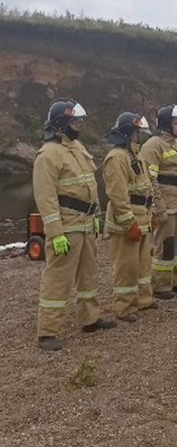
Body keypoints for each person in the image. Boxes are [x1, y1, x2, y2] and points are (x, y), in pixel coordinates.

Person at [33, 99, 115, 351]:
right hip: (67, 227)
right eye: (74, 121)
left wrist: (98, 218)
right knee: (58, 279)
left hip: (86, 224)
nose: (78, 125)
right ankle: (47, 331)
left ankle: (90, 318)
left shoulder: (77, 147)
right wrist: (55, 233)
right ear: (62, 123)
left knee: (89, 276)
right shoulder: (48, 155)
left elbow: (89, 185)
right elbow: (46, 199)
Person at [102, 111, 157, 323]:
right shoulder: (116, 158)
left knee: (142, 264)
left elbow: (145, 186)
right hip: (128, 221)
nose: (139, 136)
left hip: (141, 217)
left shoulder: (136, 155)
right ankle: (124, 307)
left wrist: (149, 213)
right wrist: (128, 222)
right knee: (126, 266)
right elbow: (118, 194)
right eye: (136, 132)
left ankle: (143, 300)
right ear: (128, 132)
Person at [139, 103, 177, 299]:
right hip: (166, 204)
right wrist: (159, 207)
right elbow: (151, 179)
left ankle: (176, 280)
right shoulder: (153, 146)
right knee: (165, 244)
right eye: (176, 123)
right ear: (166, 124)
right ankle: (161, 285)